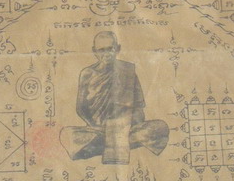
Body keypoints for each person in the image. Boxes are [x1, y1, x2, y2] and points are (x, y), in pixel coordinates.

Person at [60, 31, 169, 164]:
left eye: (110, 49)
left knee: (160, 127)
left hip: (126, 127)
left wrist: (126, 125)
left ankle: (102, 146)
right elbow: (81, 108)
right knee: (68, 135)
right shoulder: (87, 73)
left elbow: (139, 107)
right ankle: (118, 143)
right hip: (98, 129)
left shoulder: (128, 71)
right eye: (101, 50)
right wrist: (97, 126)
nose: (106, 54)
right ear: (94, 51)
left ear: (117, 49)